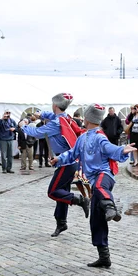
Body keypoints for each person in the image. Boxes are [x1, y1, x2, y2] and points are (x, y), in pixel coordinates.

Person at [51, 104, 136, 268]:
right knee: (96, 220)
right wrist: (59, 159)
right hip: (94, 180)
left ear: (88, 119)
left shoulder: (99, 136)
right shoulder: (82, 138)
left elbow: (109, 148)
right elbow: (72, 154)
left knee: (98, 187)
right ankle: (104, 256)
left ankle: (112, 207)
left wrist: (121, 150)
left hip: (104, 176)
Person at [22, 93, 90, 237]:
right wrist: (41, 115)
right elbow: (51, 116)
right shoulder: (64, 117)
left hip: (66, 162)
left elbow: (37, 133)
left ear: (55, 105)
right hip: (68, 161)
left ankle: (80, 200)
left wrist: (24, 126)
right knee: (61, 192)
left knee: (53, 191)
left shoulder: (56, 123)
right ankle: (61, 223)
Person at [0, 109, 17, 174]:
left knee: (10, 155)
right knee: (4, 155)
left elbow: (16, 127)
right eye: (7, 113)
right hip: (3, 139)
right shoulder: (1, 121)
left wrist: (14, 129)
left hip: (10, 139)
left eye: (9, 113)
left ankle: (9, 168)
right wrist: (2, 118)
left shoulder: (12, 121)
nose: (8, 114)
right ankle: (4, 168)